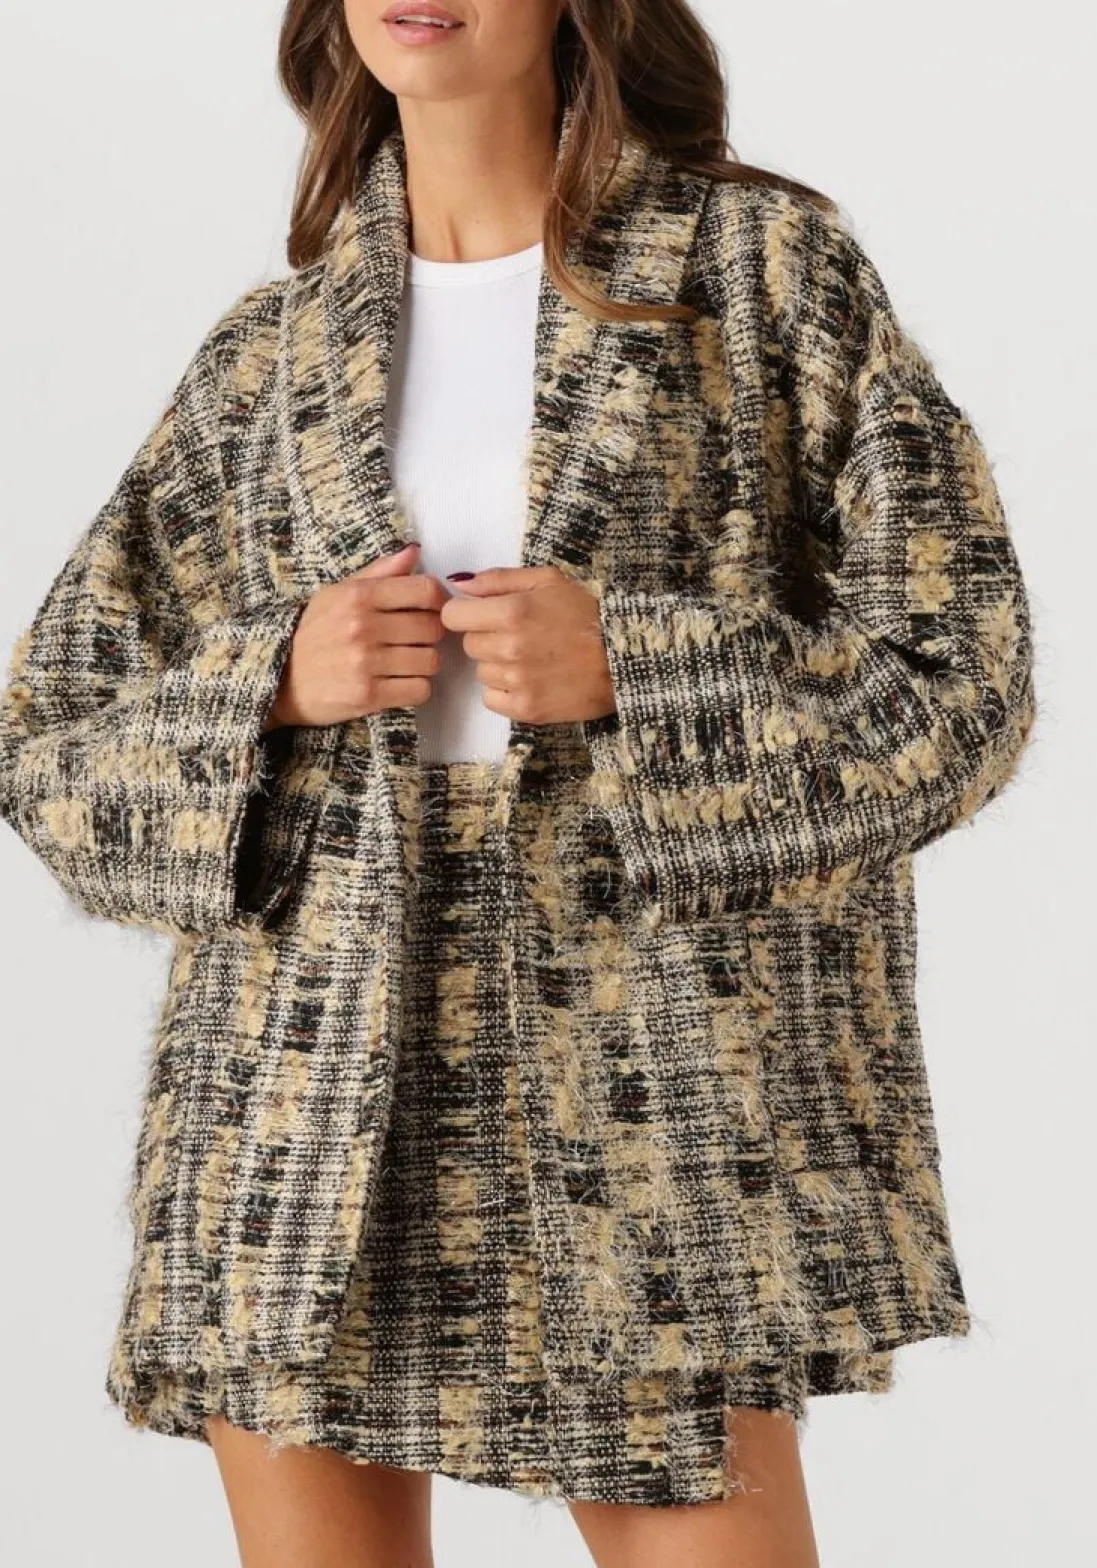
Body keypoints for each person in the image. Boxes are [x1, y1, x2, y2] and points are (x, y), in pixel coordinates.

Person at [0, 2, 1038, 1565]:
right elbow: (51, 738)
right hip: (298, 1091)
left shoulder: (761, 277)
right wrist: (272, 679)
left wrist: (644, 670)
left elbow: (965, 679)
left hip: (654, 1074)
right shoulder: (270, 355)